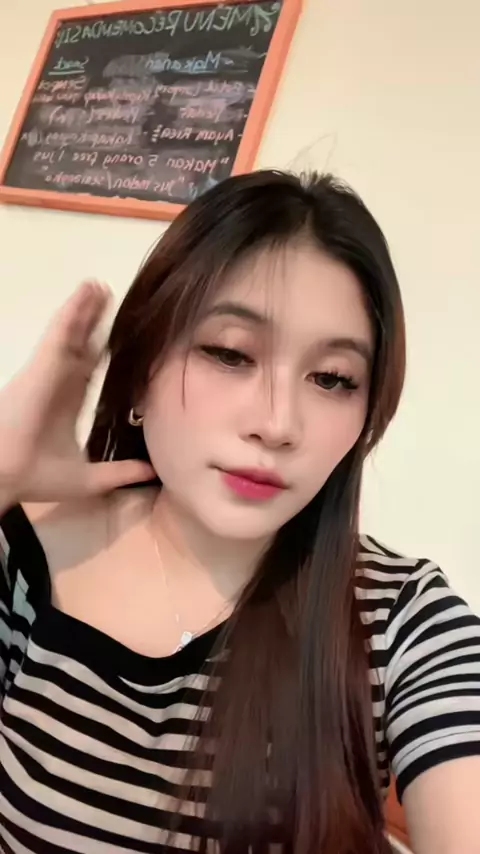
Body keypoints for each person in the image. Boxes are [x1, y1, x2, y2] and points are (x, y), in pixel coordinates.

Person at [0, 170, 479, 854]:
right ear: (140, 370)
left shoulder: (402, 621)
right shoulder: (29, 549)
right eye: (230, 353)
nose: (278, 424)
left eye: (332, 379)